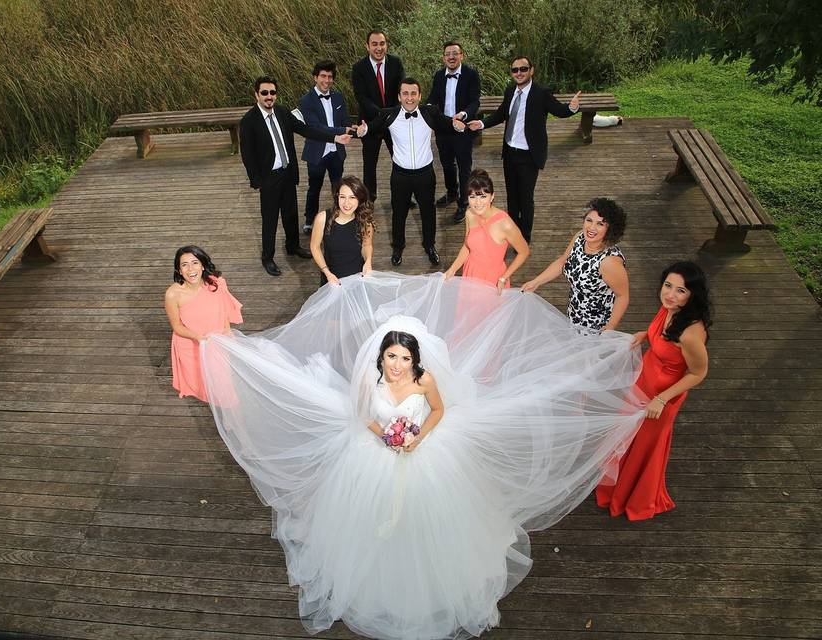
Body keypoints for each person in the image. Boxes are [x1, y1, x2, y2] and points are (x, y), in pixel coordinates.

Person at [201, 273, 646, 639]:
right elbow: (362, 416)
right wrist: (385, 437)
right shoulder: (371, 384)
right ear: (381, 356)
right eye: (390, 356)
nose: (396, 364)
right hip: (375, 452)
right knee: (368, 523)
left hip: (426, 449)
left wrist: (417, 438)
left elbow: (438, 412)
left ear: (415, 357)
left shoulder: (425, 381)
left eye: (404, 356)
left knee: (435, 522)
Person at [597, 261, 712, 520]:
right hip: (644, 382)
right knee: (628, 436)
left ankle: (634, 497)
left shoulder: (690, 333)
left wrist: (661, 399)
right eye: (668, 286)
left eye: (680, 290)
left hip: (661, 396)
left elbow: (698, 373)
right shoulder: (669, 308)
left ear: (693, 294)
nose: (670, 294)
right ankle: (617, 485)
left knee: (643, 446)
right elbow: (661, 334)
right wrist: (644, 335)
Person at [239, 76, 351, 277]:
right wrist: (258, 182)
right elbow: (247, 154)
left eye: (272, 92)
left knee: (291, 214)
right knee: (270, 219)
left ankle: (293, 247)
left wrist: (334, 137)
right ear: (256, 94)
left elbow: (306, 130)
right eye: (264, 93)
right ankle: (268, 257)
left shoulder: (282, 113)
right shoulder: (249, 121)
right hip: (269, 178)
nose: (269, 96)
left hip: (287, 173)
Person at [467, 56, 581, 242]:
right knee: (512, 197)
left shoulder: (541, 93)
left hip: (529, 155)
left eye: (523, 69)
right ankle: (512, 232)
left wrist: (572, 108)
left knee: (525, 199)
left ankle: (524, 237)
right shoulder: (510, 91)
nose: (519, 73)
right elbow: (501, 114)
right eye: (515, 70)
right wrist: (481, 123)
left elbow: (559, 111)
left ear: (531, 70)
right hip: (510, 152)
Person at [356, 78, 465, 267]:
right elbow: (371, 127)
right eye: (405, 93)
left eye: (413, 93)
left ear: (420, 96)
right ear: (399, 96)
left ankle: (430, 246)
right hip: (400, 175)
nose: (409, 97)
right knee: (399, 213)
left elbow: (447, 123)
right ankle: (398, 247)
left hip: (425, 174)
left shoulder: (429, 113)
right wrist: (364, 129)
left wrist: (456, 125)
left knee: (428, 212)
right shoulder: (389, 115)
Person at [521, 197, 629, 332]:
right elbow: (562, 262)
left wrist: (611, 326)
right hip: (574, 313)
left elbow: (622, 296)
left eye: (600, 224)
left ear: (610, 229)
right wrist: (536, 282)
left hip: (596, 324)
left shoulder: (609, 262)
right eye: (589, 220)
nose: (591, 227)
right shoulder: (580, 238)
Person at [164, 246, 242, 402]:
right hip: (191, 345)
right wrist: (198, 338)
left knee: (224, 386)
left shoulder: (216, 284)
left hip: (216, 341)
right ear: (179, 270)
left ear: (203, 265)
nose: (190, 269)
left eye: (195, 262)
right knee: (204, 385)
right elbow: (177, 326)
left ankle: (229, 417)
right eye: (184, 264)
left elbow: (224, 312)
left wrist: (228, 334)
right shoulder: (172, 294)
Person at [443, 169, 530, 292]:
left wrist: (504, 278)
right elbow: (467, 246)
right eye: (472, 197)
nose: (477, 203)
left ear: (492, 196)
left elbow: (524, 251)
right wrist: (452, 269)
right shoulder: (469, 214)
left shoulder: (505, 224)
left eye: (483, 196)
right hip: (470, 273)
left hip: (492, 279)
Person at [425, 41, 481, 223]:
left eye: (454, 53)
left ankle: (464, 203)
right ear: (443, 58)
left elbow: (475, 102)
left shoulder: (471, 75)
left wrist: (464, 115)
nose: (451, 57)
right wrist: (428, 107)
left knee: (464, 167)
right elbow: (434, 97)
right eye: (448, 54)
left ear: (461, 56)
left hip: (462, 127)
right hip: (443, 127)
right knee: (447, 164)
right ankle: (451, 192)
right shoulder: (439, 75)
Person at [298, 60, 352, 235]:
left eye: (330, 77)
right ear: (315, 77)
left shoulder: (338, 97)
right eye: (323, 76)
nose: (326, 80)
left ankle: (339, 217)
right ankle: (309, 220)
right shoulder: (306, 101)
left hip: (336, 151)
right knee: (314, 187)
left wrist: (354, 128)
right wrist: (342, 130)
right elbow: (315, 128)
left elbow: (345, 120)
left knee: (338, 187)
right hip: (317, 151)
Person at [351, 29, 404, 202]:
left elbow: (401, 92)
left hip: (393, 121)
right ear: (367, 46)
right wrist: (381, 114)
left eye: (382, 43)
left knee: (399, 159)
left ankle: (402, 194)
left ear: (386, 45)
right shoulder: (359, 68)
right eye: (374, 44)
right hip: (371, 121)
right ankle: (369, 197)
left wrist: (392, 113)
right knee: (369, 164)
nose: (379, 48)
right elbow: (361, 97)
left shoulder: (396, 63)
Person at [310, 175, 375, 286]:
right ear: (337, 197)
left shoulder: (365, 222)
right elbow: (315, 247)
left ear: (360, 199)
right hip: (332, 280)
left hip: (358, 279)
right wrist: (327, 273)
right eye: (342, 197)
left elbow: (366, 245)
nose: (346, 203)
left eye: (352, 197)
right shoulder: (323, 218)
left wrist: (368, 261)